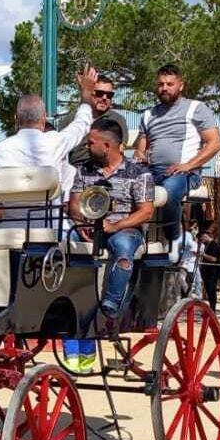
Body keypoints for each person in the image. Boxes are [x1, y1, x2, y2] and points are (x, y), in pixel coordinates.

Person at [67, 120, 154, 324]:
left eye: (90, 143)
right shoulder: (83, 170)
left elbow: (146, 212)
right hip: (87, 227)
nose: (87, 147)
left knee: (124, 247)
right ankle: (66, 295)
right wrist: (82, 227)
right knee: (63, 241)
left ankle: (112, 302)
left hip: (125, 229)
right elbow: (74, 205)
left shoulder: (139, 173)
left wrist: (115, 226)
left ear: (106, 146)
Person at [133, 64, 220, 257]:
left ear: (181, 85)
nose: (164, 88)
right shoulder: (148, 115)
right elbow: (140, 149)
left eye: (169, 84)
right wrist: (140, 158)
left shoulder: (196, 109)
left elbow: (215, 143)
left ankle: (173, 239)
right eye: (160, 84)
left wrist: (188, 165)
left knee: (169, 189)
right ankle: (135, 236)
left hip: (184, 172)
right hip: (153, 171)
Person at [0, 67, 101, 208]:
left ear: (16, 119)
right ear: (44, 117)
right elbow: (81, 124)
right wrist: (86, 94)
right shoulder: (55, 142)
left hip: (11, 225)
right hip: (51, 224)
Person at [65, 74, 131, 169]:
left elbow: (119, 150)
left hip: (105, 170)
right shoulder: (73, 119)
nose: (104, 98)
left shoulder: (117, 120)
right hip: (76, 170)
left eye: (109, 95)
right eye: (99, 93)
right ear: (90, 93)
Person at [198, 230, 220, 315]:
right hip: (207, 272)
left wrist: (203, 255)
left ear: (206, 236)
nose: (201, 239)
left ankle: (212, 309)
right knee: (208, 291)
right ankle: (210, 308)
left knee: (211, 291)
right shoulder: (206, 245)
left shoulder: (214, 245)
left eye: (202, 237)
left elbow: (214, 259)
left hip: (212, 272)